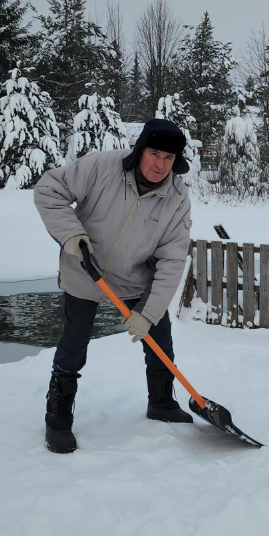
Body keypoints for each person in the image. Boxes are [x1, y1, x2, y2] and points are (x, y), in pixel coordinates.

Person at [34, 119, 194, 453]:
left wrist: (147, 314)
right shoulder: (102, 166)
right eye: (154, 153)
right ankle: (58, 416)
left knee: (159, 337)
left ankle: (162, 402)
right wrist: (70, 234)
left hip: (135, 276)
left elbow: (173, 259)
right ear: (140, 151)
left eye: (168, 158)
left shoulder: (177, 197)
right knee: (75, 341)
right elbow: (49, 190)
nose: (159, 164)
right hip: (84, 267)